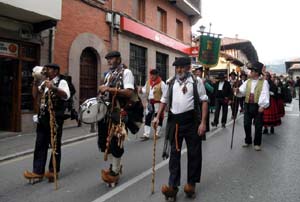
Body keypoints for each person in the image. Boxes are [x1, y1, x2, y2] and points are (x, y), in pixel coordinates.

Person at [153, 57, 208, 199]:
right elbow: (164, 100)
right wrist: (157, 116)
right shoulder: (171, 82)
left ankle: (191, 184)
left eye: (182, 67)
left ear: (188, 67)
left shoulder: (196, 82)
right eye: (177, 67)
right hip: (175, 123)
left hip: (192, 122)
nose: (179, 70)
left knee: (194, 154)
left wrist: (203, 123)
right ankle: (173, 186)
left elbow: (204, 101)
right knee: (174, 155)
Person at [24, 63, 70, 183]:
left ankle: (53, 171)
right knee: (40, 145)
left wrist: (53, 87)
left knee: (55, 146)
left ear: (55, 71)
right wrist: (35, 82)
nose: (45, 71)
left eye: (48, 69)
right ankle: (38, 172)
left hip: (55, 119)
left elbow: (66, 96)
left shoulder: (62, 82)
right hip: (43, 118)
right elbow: (35, 96)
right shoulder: (45, 82)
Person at [98, 51, 135, 186]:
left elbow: (129, 92)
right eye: (107, 59)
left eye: (111, 58)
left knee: (116, 142)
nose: (109, 61)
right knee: (104, 142)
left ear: (119, 59)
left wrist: (109, 89)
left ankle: (115, 171)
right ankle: (116, 166)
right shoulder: (108, 74)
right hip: (106, 112)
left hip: (119, 112)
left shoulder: (126, 73)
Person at [235, 61, 270, 151]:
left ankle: (257, 143)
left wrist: (262, 105)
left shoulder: (264, 82)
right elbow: (242, 91)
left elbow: (265, 94)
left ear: (257, 72)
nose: (250, 72)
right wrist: (238, 90)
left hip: (257, 105)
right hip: (247, 105)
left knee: (258, 126)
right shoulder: (247, 81)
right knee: (246, 124)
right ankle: (248, 140)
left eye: (252, 71)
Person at [139, 69, 167, 140]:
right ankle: (146, 134)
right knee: (148, 118)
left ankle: (157, 133)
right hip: (150, 103)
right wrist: (140, 90)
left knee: (158, 118)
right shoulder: (148, 82)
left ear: (157, 75)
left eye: (153, 75)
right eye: (150, 75)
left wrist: (163, 104)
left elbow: (165, 95)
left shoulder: (162, 83)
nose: (151, 76)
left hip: (158, 103)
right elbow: (144, 90)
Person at [193, 66, 213, 140]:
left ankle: (203, 134)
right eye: (196, 72)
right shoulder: (193, 80)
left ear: (202, 73)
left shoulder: (206, 81)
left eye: (199, 72)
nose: (197, 73)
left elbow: (211, 90)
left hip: (203, 102)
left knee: (203, 118)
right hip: (196, 103)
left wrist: (205, 84)